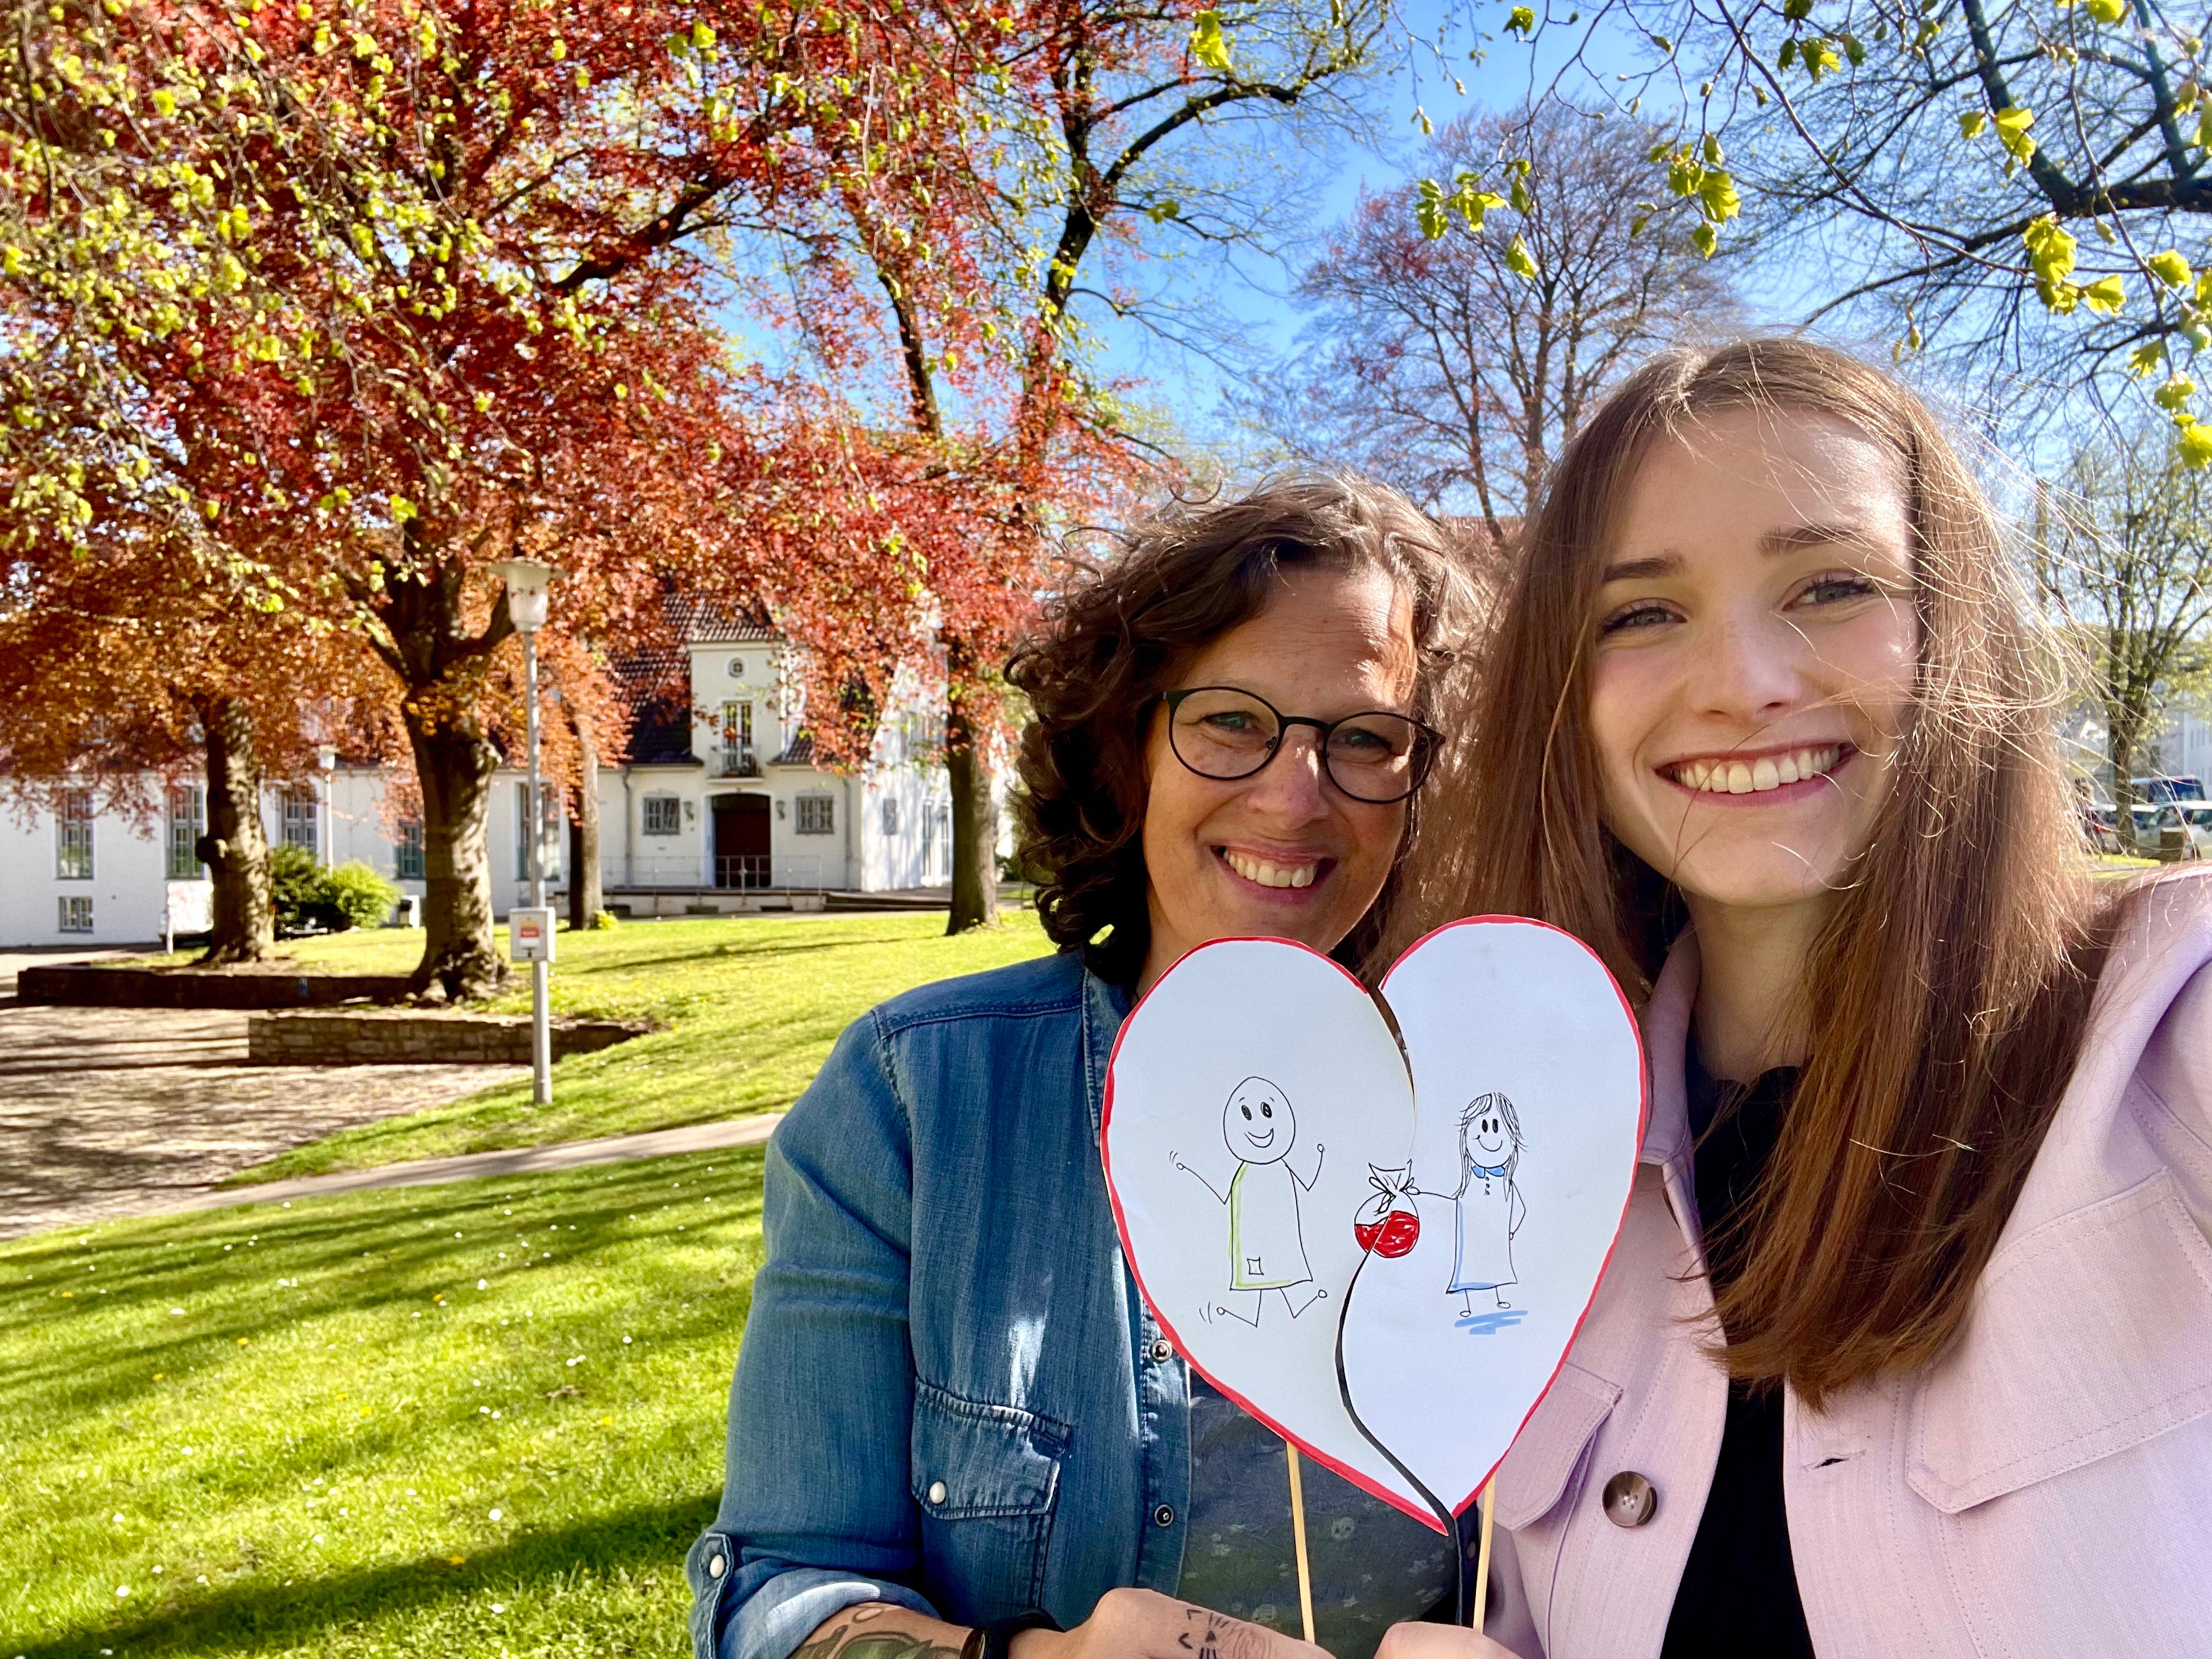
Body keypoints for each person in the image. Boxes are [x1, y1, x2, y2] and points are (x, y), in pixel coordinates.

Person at [1372, 338, 2212, 1659]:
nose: (1745, 683)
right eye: (1643, 613)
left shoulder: (2168, 1033)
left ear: (1952, 627)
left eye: (1829, 586)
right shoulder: (1543, 1165)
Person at [687, 476, 1481, 1659]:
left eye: (1366, 738)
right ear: (1127, 750)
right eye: (1230, 721)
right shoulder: (919, 1101)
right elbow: (785, 1584)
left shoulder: (1508, 1107)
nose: (1293, 794)